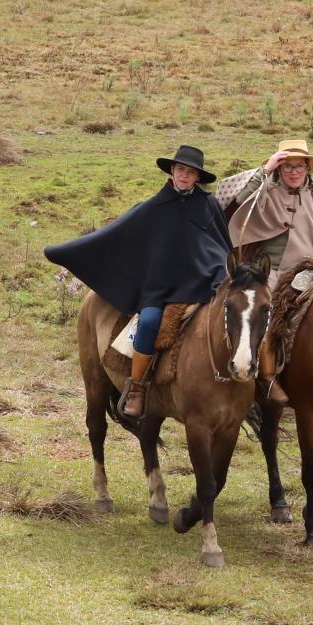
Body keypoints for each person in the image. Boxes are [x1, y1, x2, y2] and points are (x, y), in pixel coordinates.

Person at [44, 145, 233, 423]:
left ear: (197, 177)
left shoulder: (209, 205)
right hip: (162, 287)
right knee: (147, 324)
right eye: (181, 169)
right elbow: (116, 235)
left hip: (204, 283)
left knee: (238, 318)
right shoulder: (154, 207)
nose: (184, 176)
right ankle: (136, 387)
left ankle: (259, 380)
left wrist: (226, 276)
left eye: (190, 172)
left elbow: (222, 245)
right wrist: (66, 251)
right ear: (172, 171)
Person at [214, 139, 313, 405]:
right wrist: (265, 169)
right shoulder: (264, 191)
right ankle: (268, 379)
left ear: (307, 169)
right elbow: (229, 197)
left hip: (310, 272)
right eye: (287, 166)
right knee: (262, 316)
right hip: (268, 275)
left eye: (298, 166)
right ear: (279, 167)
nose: (293, 172)